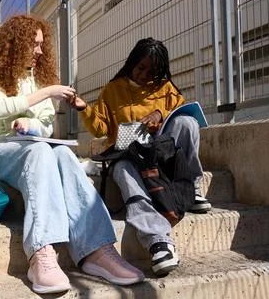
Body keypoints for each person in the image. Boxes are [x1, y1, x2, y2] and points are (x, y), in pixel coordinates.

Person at [0, 14, 145, 294]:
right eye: (34, 45)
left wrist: (33, 125)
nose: (40, 51)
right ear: (17, 44)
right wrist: (47, 92)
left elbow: (45, 124)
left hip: (33, 145)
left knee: (62, 155)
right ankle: (41, 250)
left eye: (42, 45)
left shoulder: (39, 77)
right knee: (41, 153)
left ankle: (97, 250)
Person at [70, 37, 212, 276]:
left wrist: (159, 113)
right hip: (127, 153)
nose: (145, 75)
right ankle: (158, 242)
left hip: (160, 151)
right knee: (123, 169)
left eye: (152, 71)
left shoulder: (165, 87)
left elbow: (180, 109)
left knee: (187, 122)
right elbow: (100, 130)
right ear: (131, 63)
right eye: (141, 68)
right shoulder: (113, 89)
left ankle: (191, 187)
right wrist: (84, 108)